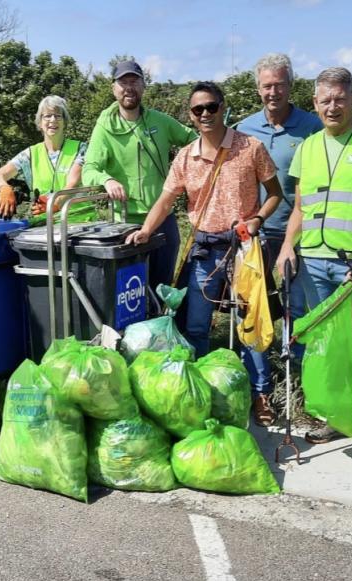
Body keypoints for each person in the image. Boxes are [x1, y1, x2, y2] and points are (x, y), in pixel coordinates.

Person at [274, 67, 352, 470]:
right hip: (314, 263)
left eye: (339, 98)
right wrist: (287, 247)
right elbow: (299, 207)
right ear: (314, 103)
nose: (332, 106)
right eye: (325, 100)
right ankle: (338, 418)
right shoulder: (307, 147)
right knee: (327, 347)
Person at [128, 82, 283, 394]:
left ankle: (260, 391)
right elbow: (165, 200)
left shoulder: (250, 147)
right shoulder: (185, 157)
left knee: (250, 323)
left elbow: (275, 194)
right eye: (198, 109)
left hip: (243, 248)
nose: (206, 113)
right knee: (196, 325)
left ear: (223, 107)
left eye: (211, 106)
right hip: (204, 248)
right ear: (191, 116)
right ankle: (201, 388)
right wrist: (146, 229)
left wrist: (257, 219)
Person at [235, 53, 323, 427]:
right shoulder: (243, 128)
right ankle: (261, 391)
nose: (274, 92)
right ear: (258, 89)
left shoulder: (313, 126)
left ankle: (307, 393)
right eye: (267, 85)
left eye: (280, 84)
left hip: (298, 233)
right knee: (253, 311)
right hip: (253, 234)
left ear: (291, 85)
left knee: (297, 313)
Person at [82, 59, 197, 292]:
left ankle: (161, 326)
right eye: (123, 82)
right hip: (125, 223)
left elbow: (194, 140)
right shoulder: (104, 127)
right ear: (114, 88)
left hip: (163, 218)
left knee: (161, 287)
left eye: (134, 81)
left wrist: (185, 172)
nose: (129, 87)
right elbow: (89, 169)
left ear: (144, 86)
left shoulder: (159, 120)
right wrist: (107, 180)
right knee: (129, 291)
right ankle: (133, 329)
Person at [0, 95, 94, 223]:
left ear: (65, 122)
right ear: (40, 122)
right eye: (47, 116)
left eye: (58, 116)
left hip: (79, 222)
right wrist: (5, 188)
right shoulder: (30, 154)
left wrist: (55, 203)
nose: (53, 120)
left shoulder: (81, 148)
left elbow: (73, 183)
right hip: (43, 225)